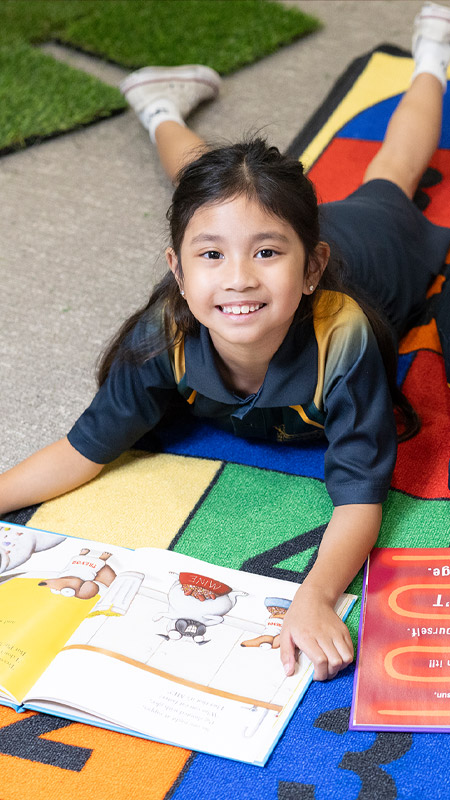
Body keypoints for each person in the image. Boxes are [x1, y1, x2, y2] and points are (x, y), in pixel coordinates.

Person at [1, 2, 450, 680]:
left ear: (311, 268)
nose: (238, 279)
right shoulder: (167, 328)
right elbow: (78, 450)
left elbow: (360, 497)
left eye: (268, 254)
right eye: (208, 257)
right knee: (213, 187)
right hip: (263, 232)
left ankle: (432, 55)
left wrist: (317, 595)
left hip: (372, 245)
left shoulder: (345, 334)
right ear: (177, 270)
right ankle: (159, 106)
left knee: (392, 175)